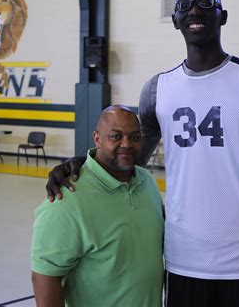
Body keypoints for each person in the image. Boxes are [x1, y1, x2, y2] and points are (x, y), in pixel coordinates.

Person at [46, 0, 239, 307]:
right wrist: (80, 165)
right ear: (175, 20)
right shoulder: (157, 90)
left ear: (223, 15)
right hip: (183, 262)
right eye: (183, 5)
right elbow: (127, 158)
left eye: (205, 3)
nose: (193, 11)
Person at [31, 105, 164, 307]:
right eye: (115, 136)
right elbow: (45, 276)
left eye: (134, 137)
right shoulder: (67, 200)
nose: (126, 144)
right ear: (97, 139)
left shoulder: (147, 182)